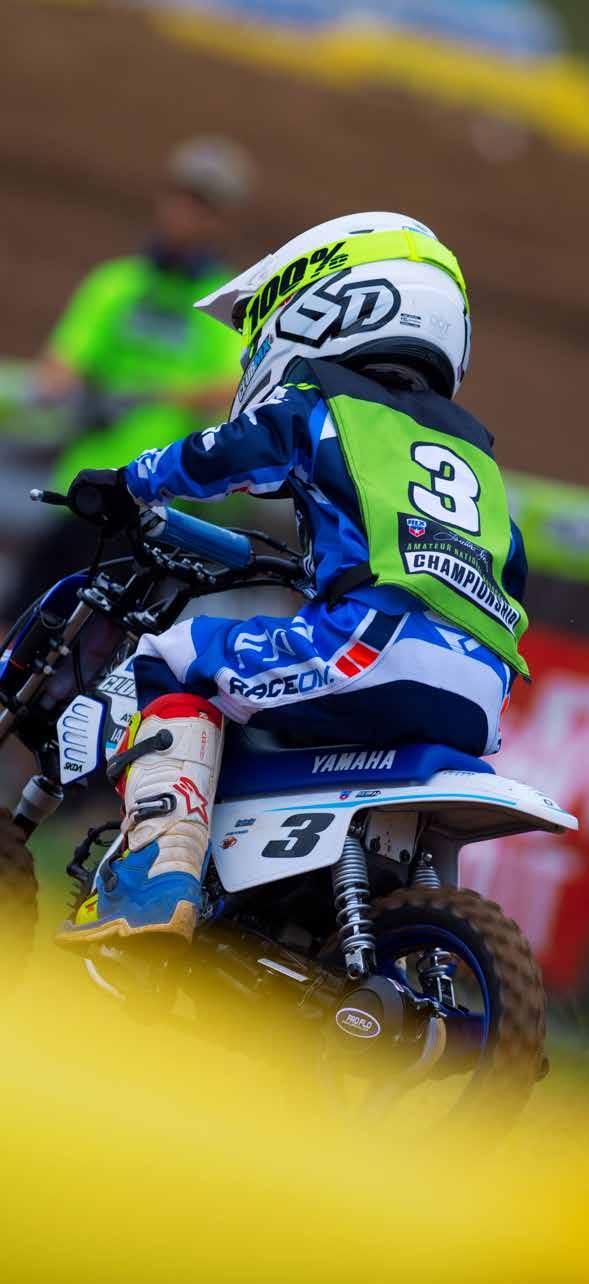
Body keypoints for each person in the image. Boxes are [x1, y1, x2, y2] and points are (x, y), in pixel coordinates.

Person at [56, 210, 529, 949]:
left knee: (172, 653)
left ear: (326, 305)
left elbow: (228, 451)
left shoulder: (324, 400)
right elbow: (510, 569)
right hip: (481, 688)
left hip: (369, 646)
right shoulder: (477, 458)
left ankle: (154, 876)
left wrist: (129, 481)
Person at [8, 138, 252, 614]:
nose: (185, 216)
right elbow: (59, 366)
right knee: (26, 616)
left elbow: (233, 386)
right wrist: (73, 393)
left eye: (202, 206)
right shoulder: (116, 282)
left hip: (159, 504)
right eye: (181, 199)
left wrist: (150, 394)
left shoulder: (226, 303)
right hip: (85, 486)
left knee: (103, 634)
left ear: (220, 221)